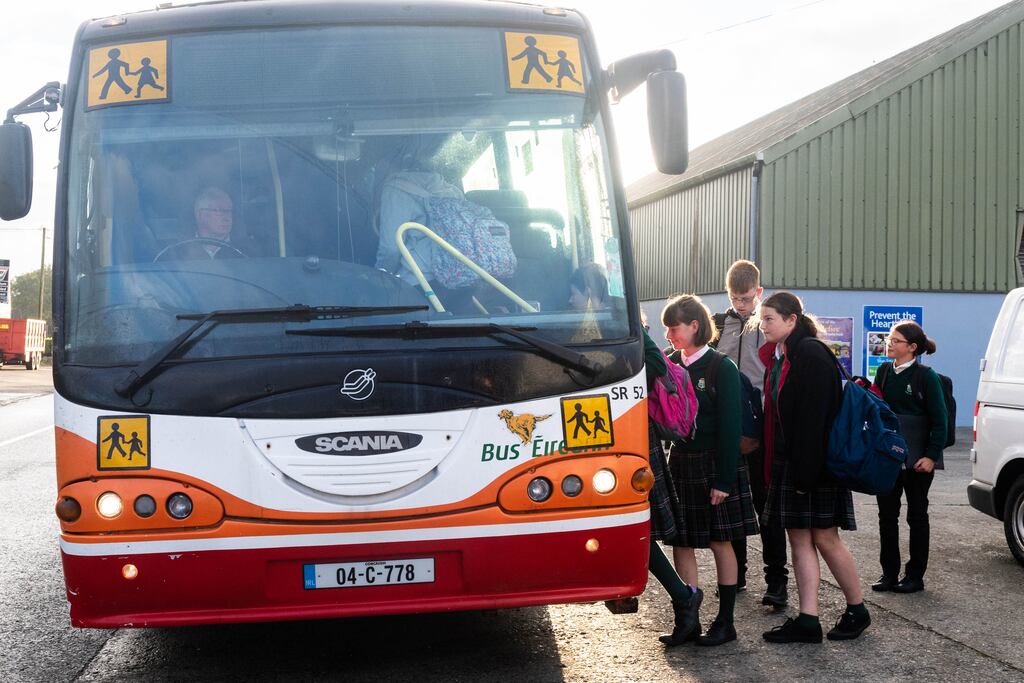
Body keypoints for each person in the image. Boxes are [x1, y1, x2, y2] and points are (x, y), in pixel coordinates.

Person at [757, 292, 870, 643]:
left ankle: (857, 608)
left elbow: (815, 421)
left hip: (813, 465)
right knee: (801, 539)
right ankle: (808, 619)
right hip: (795, 462)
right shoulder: (784, 354)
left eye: (770, 319)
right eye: (761, 320)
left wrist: (806, 474)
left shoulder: (810, 354)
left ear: (791, 320)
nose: (763, 326)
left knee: (825, 537)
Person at [662, 294, 759, 646]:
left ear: (695, 326)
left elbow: (731, 428)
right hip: (681, 462)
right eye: (666, 328)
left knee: (720, 541)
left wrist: (723, 479)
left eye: (674, 328)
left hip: (714, 464)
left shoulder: (721, 367)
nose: (669, 335)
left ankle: (726, 621)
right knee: (682, 542)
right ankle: (688, 620)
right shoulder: (671, 363)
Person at [712, 259, 788, 609]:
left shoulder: (768, 324)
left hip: (762, 426)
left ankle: (776, 582)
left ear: (758, 292)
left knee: (766, 506)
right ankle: (737, 573)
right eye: (734, 298)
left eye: (745, 298)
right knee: (730, 503)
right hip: (726, 426)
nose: (740, 305)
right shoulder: (717, 324)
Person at [639, 311, 703, 647]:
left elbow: (658, 366)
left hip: (631, 433)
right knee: (637, 532)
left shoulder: (624, 324)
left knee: (638, 531)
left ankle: (684, 599)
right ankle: (683, 600)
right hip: (619, 431)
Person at [871, 321, 947, 594]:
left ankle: (915, 575)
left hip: (917, 460)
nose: (888, 343)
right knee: (886, 515)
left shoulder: (927, 377)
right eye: (889, 338)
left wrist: (930, 456)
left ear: (912, 348)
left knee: (917, 515)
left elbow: (941, 421)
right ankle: (888, 573)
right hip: (889, 458)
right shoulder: (883, 371)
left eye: (895, 340)